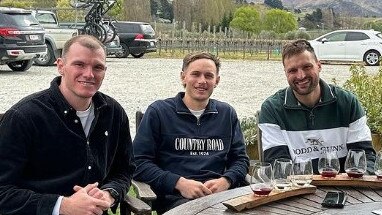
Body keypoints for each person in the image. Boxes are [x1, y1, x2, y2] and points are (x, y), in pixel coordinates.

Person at [0, 35, 135, 215]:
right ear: (60, 66)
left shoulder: (113, 113)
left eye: (98, 67)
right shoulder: (24, 117)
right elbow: (3, 192)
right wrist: (62, 205)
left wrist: (109, 193)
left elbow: (124, 169)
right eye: (79, 64)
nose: (89, 74)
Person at [133, 52, 249, 214]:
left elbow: (240, 160)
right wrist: (178, 183)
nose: (202, 81)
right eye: (195, 74)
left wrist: (226, 180)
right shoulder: (159, 112)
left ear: (217, 81)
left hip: (222, 197)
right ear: (183, 77)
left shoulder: (227, 114)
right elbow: (138, 163)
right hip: (175, 200)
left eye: (209, 75)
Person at [258, 39, 376, 174]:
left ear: (319, 66)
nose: (301, 75)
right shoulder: (272, 109)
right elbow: (278, 167)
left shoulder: (348, 103)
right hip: (298, 190)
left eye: (307, 67)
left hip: (347, 189)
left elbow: (365, 159)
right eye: (292, 70)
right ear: (285, 73)